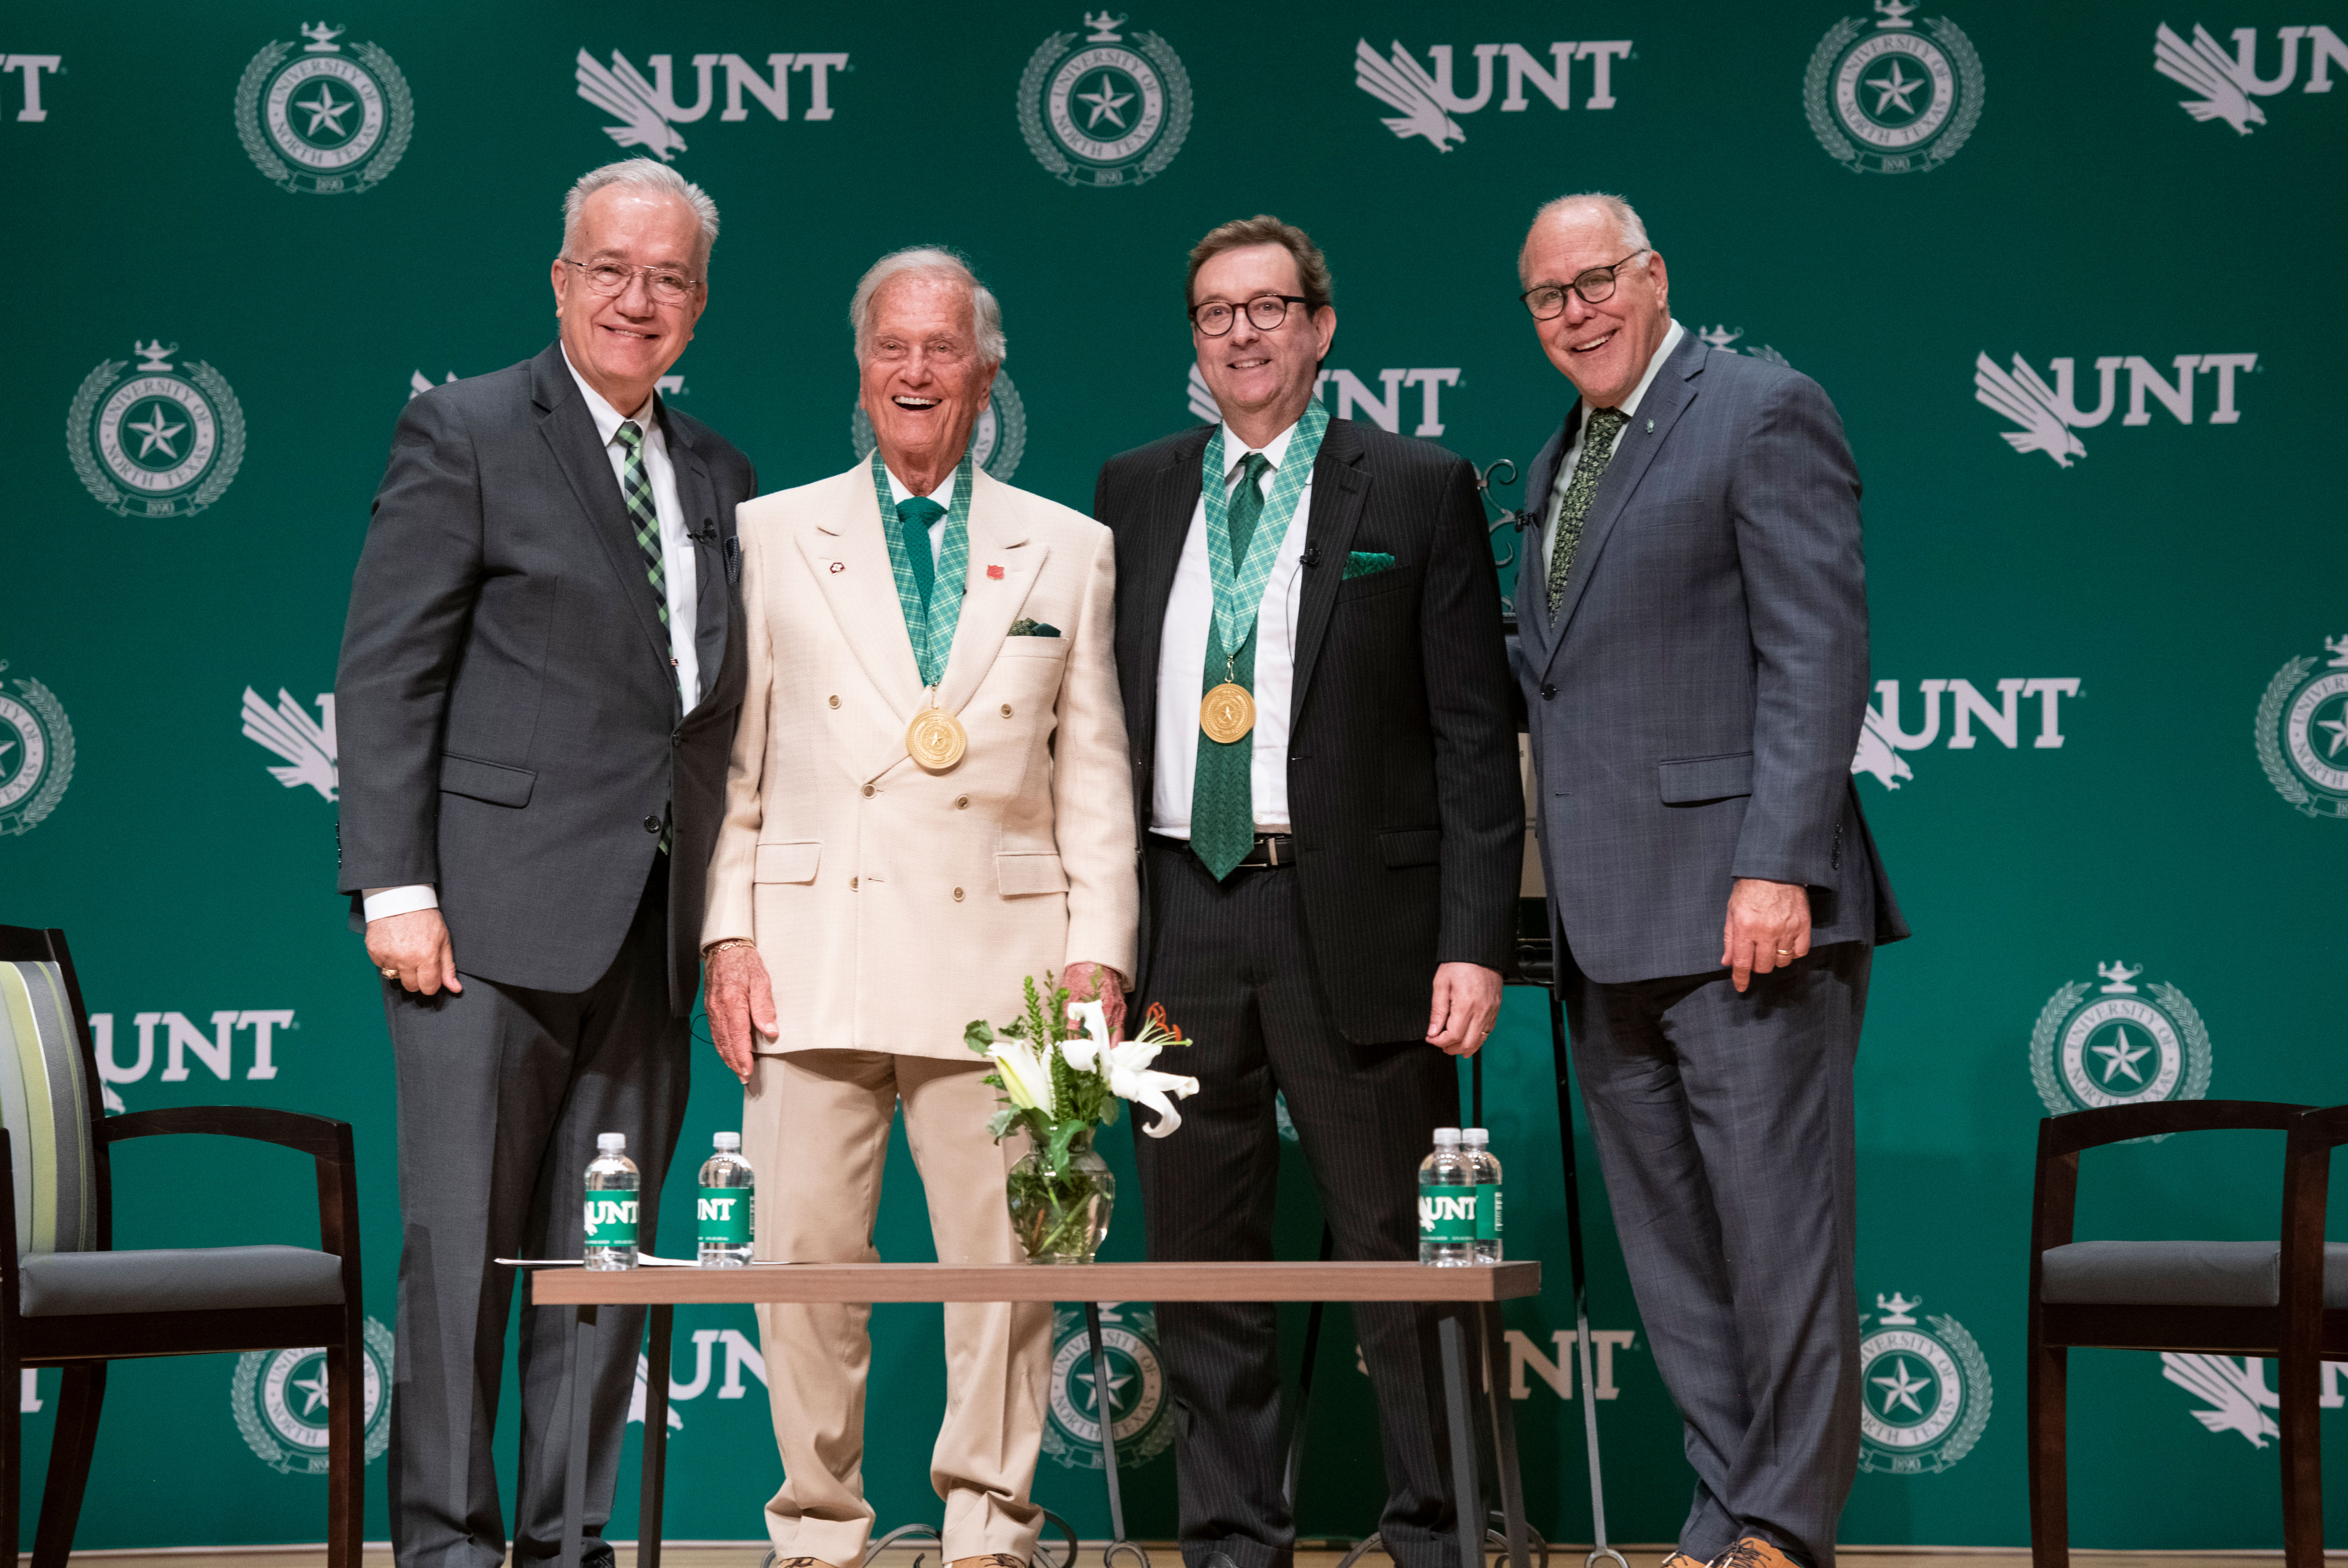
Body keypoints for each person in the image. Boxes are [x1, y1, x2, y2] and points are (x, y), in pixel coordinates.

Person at [334, 157, 754, 1568]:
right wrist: (396, 885)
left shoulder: (716, 472)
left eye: (670, 278)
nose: (639, 299)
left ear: (699, 304)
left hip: (647, 928)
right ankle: (450, 1549)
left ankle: (566, 1547)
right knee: (460, 1260)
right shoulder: (460, 430)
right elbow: (389, 671)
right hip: (483, 925)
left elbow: (699, 711)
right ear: (561, 280)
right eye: (612, 269)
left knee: (606, 1270)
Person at [1094, 215, 1522, 1568]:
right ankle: (1229, 1537)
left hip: (1358, 918)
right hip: (1183, 909)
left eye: (1269, 306)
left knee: (1401, 1258)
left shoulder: (1415, 485)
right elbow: (1096, 733)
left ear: (1320, 327)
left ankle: (1439, 1532)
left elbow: (1471, 736)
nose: (1243, 331)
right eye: (1215, 311)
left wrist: (1476, 940)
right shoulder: (1135, 487)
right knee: (1199, 1265)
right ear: (1193, 341)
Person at [701, 247, 1135, 1568]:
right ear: (860, 363)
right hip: (809, 947)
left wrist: (1097, 951)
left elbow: (1097, 770)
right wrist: (726, 930)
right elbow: (737, 759)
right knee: (805, 1269)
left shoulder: (1070, 545)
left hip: (1003, 960)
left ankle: (987, 1527)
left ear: (986, 371)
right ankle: (816, 1529)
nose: (915, 370)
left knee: (1002, 1282)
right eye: (892, 346)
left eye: (942, 348)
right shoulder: (772, 533)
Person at [1509, 192, 1909, 1568]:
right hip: (1606, 923)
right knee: (1675, 1267)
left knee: (1776, 1240)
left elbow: (1816, 652)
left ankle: (1785, 1528)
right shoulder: (1555, 460)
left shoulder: (1758, 407)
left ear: (1654, 274)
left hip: (1746, 911)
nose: (1578, 309)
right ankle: (1723, 1514)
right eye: (1550, 295)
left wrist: (1777, 863)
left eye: (1598, 279)